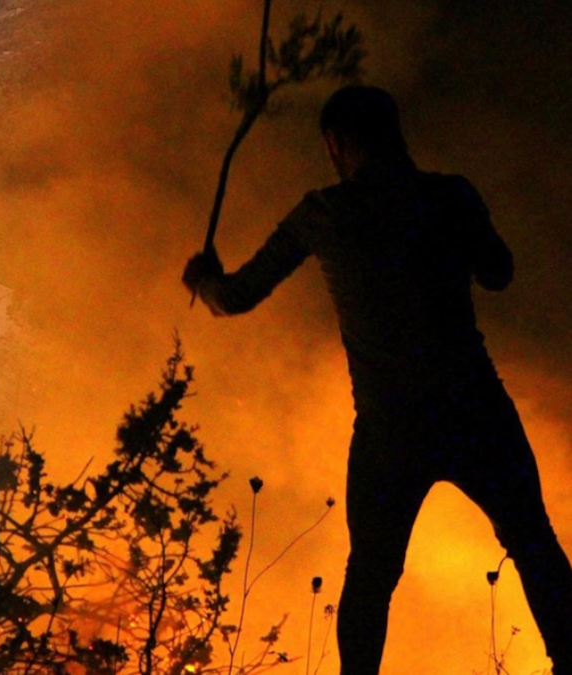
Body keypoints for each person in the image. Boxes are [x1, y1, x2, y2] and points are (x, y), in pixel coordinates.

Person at [182, 85, 572, 675]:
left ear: (335, 143)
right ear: (396, 133)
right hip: (475, 409)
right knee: (533, 543)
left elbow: (235, 297)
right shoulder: (450, 195)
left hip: (392, 429)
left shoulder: (323, 213)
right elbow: (498, 274)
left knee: (371, 573)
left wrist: (204, 280)